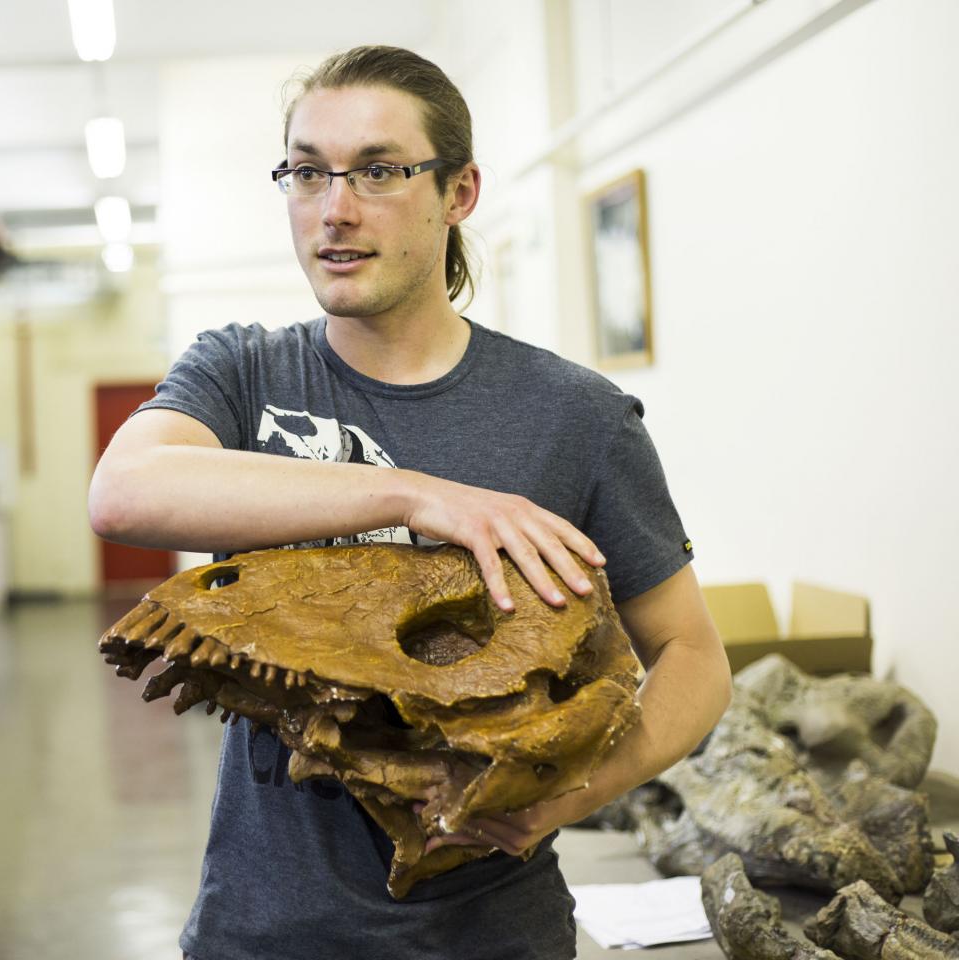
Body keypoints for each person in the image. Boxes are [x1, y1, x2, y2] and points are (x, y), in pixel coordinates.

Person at [88, 45, 731, 960]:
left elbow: (693, 654)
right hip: (259, 935)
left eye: (379, 171)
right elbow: (124, 492)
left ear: (458, 192)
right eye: (307, 172)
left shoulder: (576, 416)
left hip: (491, 938)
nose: (335, 208)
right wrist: (414, 495)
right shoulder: (242, 373)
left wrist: (567, 796)